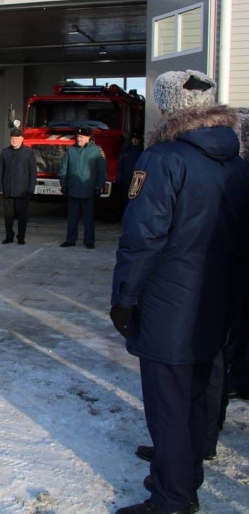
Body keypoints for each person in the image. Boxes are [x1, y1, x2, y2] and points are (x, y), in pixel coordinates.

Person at [110, 93, 249, 512]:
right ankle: (184, 473)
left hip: (169, 301)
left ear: (172, 110)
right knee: (197, 392)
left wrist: (124, 296)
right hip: (218, 298)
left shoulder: (163, 158)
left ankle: (173, 496)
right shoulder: (236, 162)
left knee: (167, 400)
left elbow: (143, 237)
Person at [59, 126, 106, 249]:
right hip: (73, 190)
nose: (79, 139)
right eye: (78, 136)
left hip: (88, 190)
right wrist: (63, 184)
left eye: (81, 137)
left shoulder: (96, 151)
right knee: (72, 218)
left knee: (88, 219)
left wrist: (99, 186)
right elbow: (63, 169)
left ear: (88, 137)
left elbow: (102, 171)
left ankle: (89, 240)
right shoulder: (70, 150)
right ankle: (70, 239)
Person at [0, 127, 36, 245]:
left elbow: (32, 172)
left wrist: (31, 188)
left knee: (22, 216)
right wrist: (0, 187)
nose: (13, 140)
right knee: (8, 216)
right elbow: (0, 171)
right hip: (8, 189)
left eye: (16, 138)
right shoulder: (5, 152)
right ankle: (9, 236)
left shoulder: (28, 152)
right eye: (12, 138)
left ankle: (21, 237)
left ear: (22, 139)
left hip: (22, 190)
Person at [116, 131, 144, 213]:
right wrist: (119, 178)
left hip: (136, 179)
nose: (134, 140)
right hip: (126, 179)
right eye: (133, 139)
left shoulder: (141, 151)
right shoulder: (126, 150)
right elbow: (120, 165)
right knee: (125, 200)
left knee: (134, 199)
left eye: (136, 139)